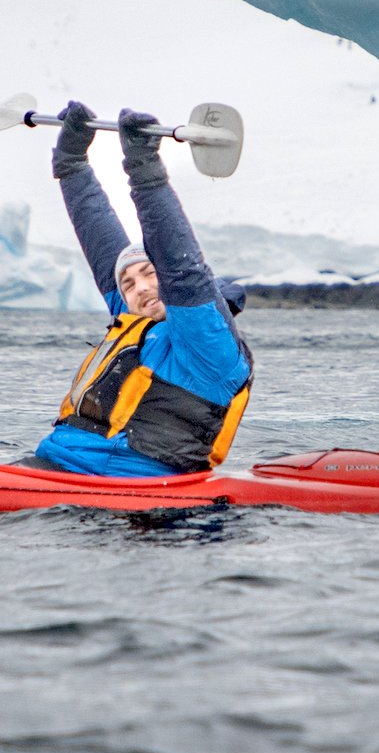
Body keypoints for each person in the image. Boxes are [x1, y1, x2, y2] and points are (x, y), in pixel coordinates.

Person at [24, 101, 253, 476]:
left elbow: (182, 271)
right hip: (60, 465)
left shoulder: (209, 345)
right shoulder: (135, 320)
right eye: (129, 284)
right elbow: (99, 236)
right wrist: (71, 163)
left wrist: (144, 171)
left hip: (130, 488)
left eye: (150, 273)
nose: (141, 288)